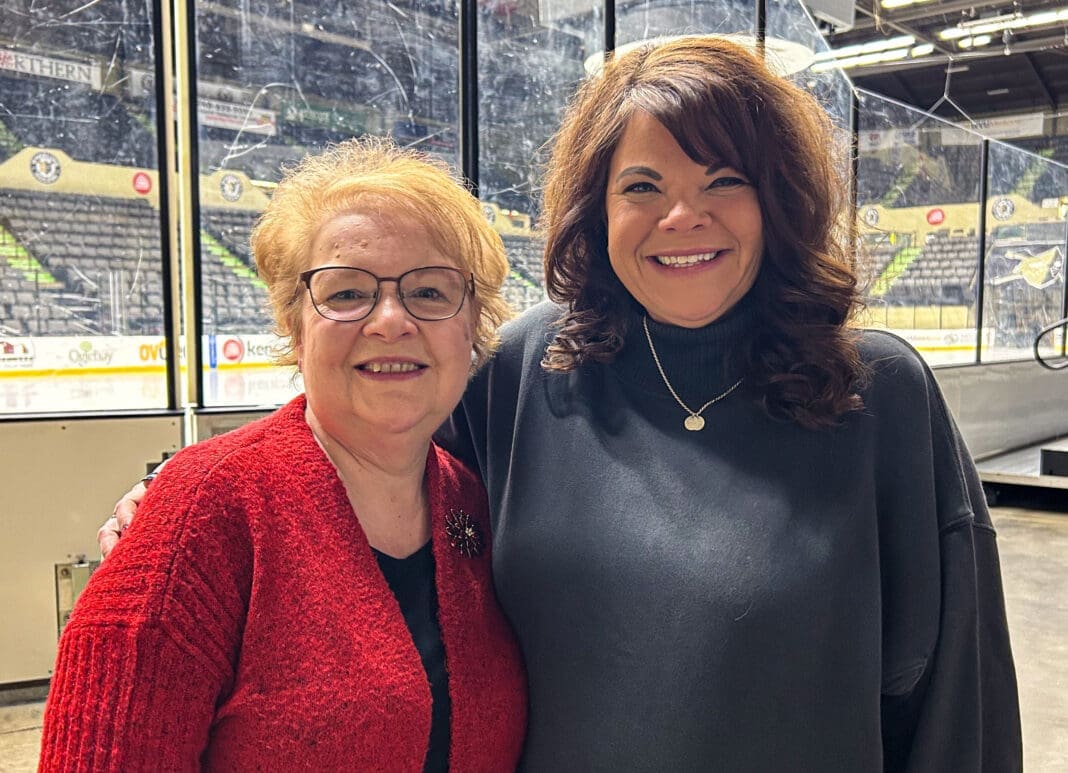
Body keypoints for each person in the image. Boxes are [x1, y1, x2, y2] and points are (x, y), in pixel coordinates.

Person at [101, 36, 1021, 771]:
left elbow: (952, 699)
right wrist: (174, 494)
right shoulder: (525, 366)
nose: (681, 218)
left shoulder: (876, 390)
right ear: (596, 208)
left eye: (723, 183)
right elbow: (359, 445)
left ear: (777, 199)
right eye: (643, 187)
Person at [42, 138, 526, 771]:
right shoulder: (203, 509)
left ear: (473, 327)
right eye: (347, 293)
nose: (390, 320)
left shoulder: (472, 505)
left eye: (431, 293)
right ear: (295, 328)